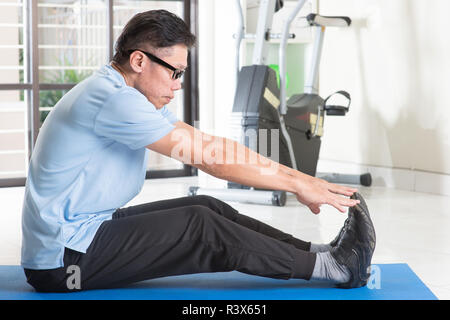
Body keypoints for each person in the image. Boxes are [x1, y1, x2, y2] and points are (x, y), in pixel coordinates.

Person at [21, 9, 375, 292]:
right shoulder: (115, 101)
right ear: (140, 61)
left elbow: (211, 145)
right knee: (199, 226)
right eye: (174, 72)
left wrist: (303, 179)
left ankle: (318, 253)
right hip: (63, 261)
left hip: (88, 230)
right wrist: (298, 185)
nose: (177, 85)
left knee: (206, 205)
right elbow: (212, 161)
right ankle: (334, 268)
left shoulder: (123, 92)